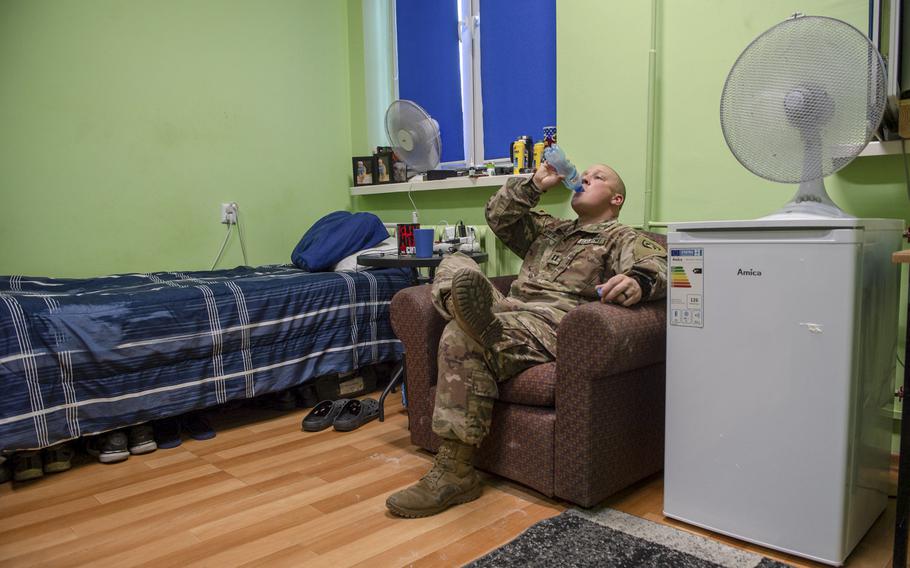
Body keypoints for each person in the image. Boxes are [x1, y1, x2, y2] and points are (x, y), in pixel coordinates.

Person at [385, 161, 668, 518]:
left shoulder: (621, 237)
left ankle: (455, 473)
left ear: (616, 198)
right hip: (506, 308)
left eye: (599, 177)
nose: (585, 179)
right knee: (456, 259)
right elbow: (498, 216)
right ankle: (479, 322)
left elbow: (663, 264)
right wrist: (535, 183)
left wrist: (639, 282)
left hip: (548, 321)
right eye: (584, 174)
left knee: (460, 334)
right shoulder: (549, 229)